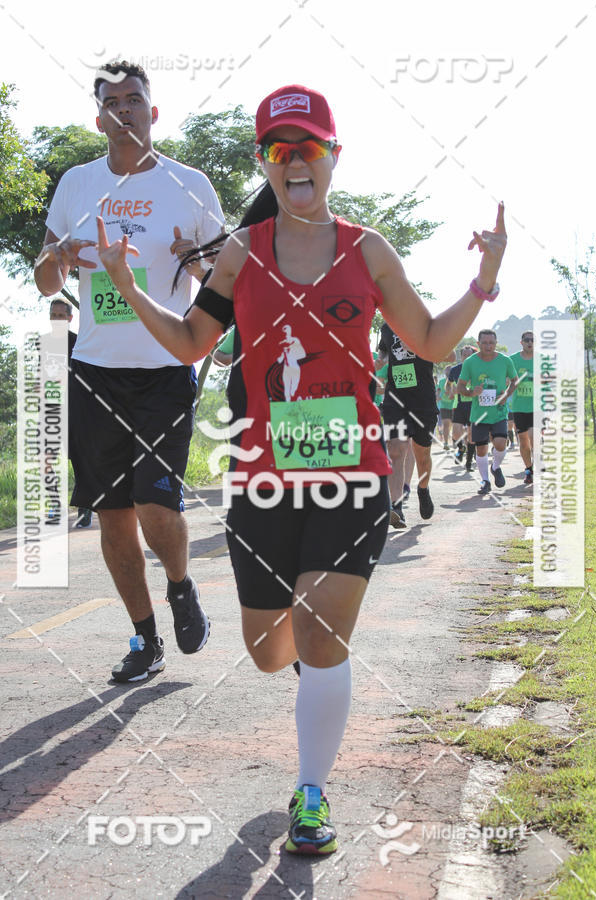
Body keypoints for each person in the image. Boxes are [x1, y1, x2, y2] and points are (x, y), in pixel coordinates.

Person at [94, 83, 506, 854]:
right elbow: (191, 342)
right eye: (280, 150)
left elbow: (428, 341)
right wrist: (127, 287)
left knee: (321, 636)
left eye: (309, 147)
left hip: (352, 473)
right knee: (267, 652)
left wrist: (483, 283)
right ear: (265, 163)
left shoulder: (368, 248)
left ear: (333, 158)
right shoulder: (244, 252)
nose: (296, 161)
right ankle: (312, 682)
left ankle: (311, 795)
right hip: (263, 478)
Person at [34, 60, 224, 683]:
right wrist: (57, 260)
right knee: (112, 513)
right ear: (99, 118)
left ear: (153, 111)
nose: (124, 111)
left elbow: (221, 279)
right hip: (95, 371)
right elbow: (44, 279)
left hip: (165, 366)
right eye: (111, 102)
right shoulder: (77, 186)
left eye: (134, 100)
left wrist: (191, 270)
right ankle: (145, 640)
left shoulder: (189, 185)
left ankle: (180, 585)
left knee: (154, 502)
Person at [379, 326, 455, 527]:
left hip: (423, 400)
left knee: (422, 456)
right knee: (395, 449)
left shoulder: (425, 323)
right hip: (395, 398)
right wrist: (377, 360)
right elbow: (383, 353)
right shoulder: (386, 327)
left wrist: (419, 346)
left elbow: (451, 356)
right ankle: (396, 507)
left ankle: (423, 488)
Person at [49, 298, 94, 528]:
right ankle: (54, 506)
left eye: (60, 316)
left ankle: (85, 509)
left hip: (77, 411)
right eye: (53, 315)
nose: (57, 320)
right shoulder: (42, 344)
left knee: (80, 462)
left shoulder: (80, 343)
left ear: (69, 318)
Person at [457, 329, 517, 494]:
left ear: (496, 343)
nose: (488, 346)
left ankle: (495, 467)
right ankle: (485, 481)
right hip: (479, 414)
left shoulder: (505, 361)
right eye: (484, 343)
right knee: (481, 449)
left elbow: (515, 381)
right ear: (478, 344)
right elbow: (460, 387)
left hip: (499, 412)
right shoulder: (470, 362)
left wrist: (506, 395)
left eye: (491, 343)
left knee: (500, 444)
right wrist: (471, 392)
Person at [510, 331, 534, 484]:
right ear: (521, 342)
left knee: (535, 438)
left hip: (536, 407)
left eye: (532, 340)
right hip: (519, 407)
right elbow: (506, 379)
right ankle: (528, 469)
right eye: (527, 340)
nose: (530, 342)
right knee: (524, 441)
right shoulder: (512, 360)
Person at [448, 344, 476, 471]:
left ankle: (469, 463)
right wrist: (450, 392)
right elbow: (448, 385)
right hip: (458, 405)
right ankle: (460, 448)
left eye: (469, 355)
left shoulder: (479, 368)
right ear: (461, 356)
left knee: (471, 435)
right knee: (455, 433)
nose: (467, 357)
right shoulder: (455, 370)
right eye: (464, 355)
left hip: (474, 405)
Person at [438, 366, 456, 450]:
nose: (448, 372)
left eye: (450, 371)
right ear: (445, 372)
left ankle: (454, 441)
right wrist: (437, 396)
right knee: (446, 425)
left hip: (454, 406)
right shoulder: (441, 382)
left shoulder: (455, 381)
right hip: (444, 406)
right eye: (447, 371)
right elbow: (437, 391)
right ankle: (445, 443)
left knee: (454, 425)